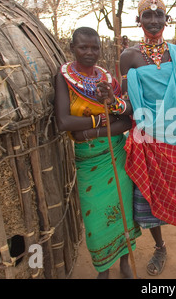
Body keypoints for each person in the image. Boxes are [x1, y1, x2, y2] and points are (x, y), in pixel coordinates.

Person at [97, 0, 176, 279]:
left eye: (158, 15)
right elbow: (126, 103)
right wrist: (112, 102)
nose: (153, 21)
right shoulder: (129, 57)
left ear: (166, 19)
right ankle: (160, 246)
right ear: (139, 21)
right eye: (147, 15)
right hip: (146, 140)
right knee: (149, 201)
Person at [54, 27, 141, 279]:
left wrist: (108, 106)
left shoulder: (106, 78)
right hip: (88, 160)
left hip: (115, 153)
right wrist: (103, 121)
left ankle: (125, 261)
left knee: (124, 211)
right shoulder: (64, 78)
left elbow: (127, 118)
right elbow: (64, 122)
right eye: (83, 47)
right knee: (95, 218)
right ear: (72, 48)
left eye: (94, 47)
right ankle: (103, 269)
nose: (90, 52)